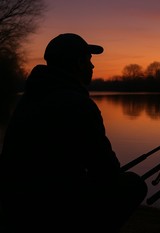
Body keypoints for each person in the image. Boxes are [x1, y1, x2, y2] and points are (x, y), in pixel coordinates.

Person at [0, 33, 148, 233]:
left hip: (15, 206)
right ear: (78, 64)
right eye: (89, 60)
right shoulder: (78, 104)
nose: (92, 66)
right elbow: (106, 170)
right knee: (134, 184)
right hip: (52, 209)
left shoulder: (28, 100)